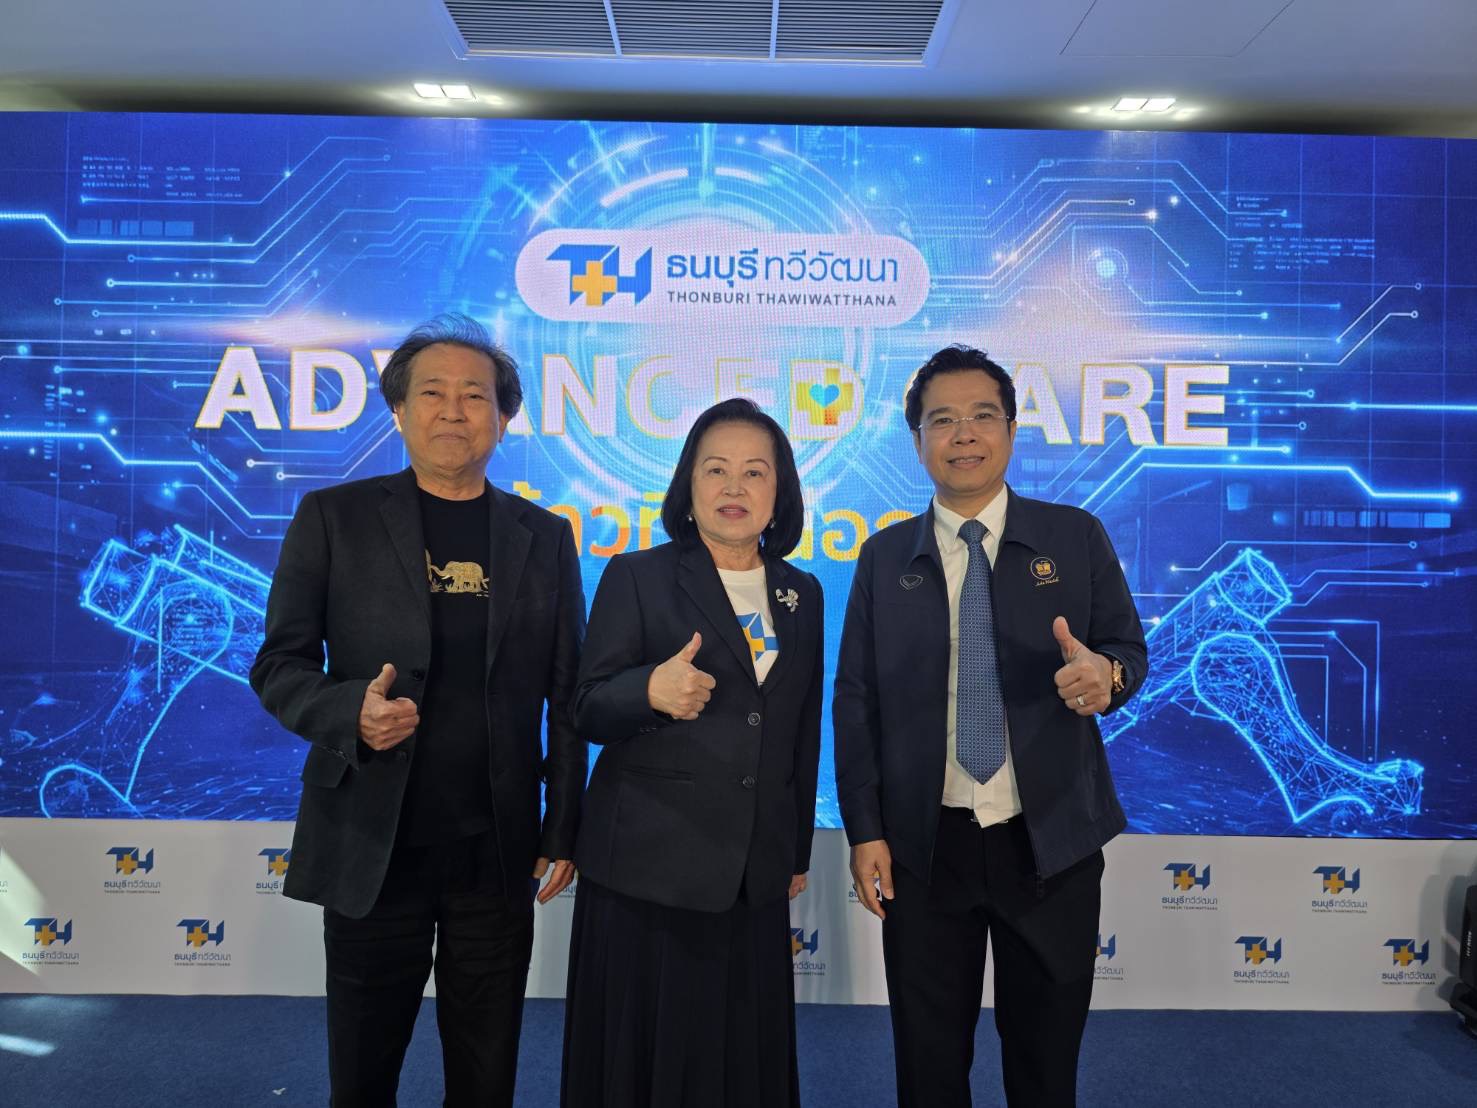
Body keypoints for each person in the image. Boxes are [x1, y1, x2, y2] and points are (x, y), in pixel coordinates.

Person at [249, 314, 586, 1107]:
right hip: (373, 839)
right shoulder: (334, 518)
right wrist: (349, 713)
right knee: (363, 1068)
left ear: (502, 418)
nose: (453, 411)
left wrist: (563, 825)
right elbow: (279, 665)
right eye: (432, 393)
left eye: (475, 396)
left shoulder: (543, 536)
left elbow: (567, 693)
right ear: (398, 410)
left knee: (485, 1068)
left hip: (494, 848)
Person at [833, 344, 1148, 1107]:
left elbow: (1127, 652)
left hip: (1049, 842)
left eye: (981, 416)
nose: (963, 434)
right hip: (924, 846)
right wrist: (865, 831)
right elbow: (855, 700)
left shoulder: (1073, 537)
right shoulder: (884, 558)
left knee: (1044, 1060)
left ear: (1009, 429)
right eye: (942, 420)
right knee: (928, 1060)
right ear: (917, 440)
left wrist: (1105, 677)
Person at [561, 398, 823, 1108]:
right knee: (647, 1058)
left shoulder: (801, 593)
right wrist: (648, 689)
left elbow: (800, 729)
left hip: (753, 867)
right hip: (650, 865)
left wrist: (794, 850)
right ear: (688, 484)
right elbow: (586, 706)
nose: (734, 486)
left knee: (736, 1057)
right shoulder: (638, 575)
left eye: (755, 472)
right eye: (716, 469)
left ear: (779, 492)